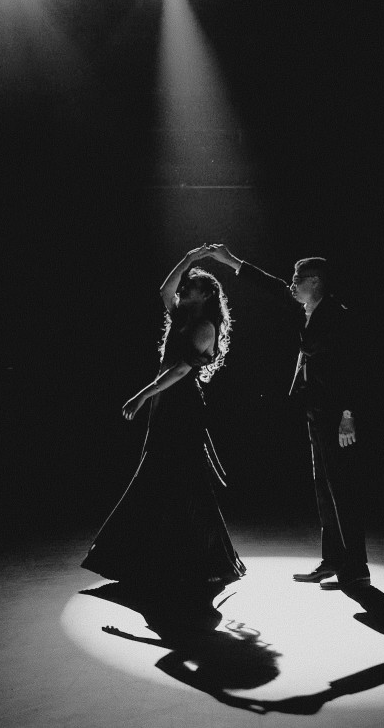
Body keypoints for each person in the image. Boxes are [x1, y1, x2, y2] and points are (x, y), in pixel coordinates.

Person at [202, 244, 370, 589]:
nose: (292, 284)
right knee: (324, 489)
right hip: (316, 410)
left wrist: (347, 415)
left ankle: (356, 569)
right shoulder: (306, 310)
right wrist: (231, 261)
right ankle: (333, 560)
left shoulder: (336, 315)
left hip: (336, 414)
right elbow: (272, 285)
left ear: (315, 281)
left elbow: (352, 369)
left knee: (342, 490)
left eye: (297, 279)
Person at [82, 246, 246, 593]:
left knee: (185, 481)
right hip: (167, 402)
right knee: (160, 478)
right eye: (185, 284)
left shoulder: (204, 327)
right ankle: (157, 560)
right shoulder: (181, 317)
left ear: (207, 294)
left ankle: (208, 561)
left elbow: (181, 370)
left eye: (192, 284)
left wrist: (143, 395)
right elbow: (164, 290)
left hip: (182, 406)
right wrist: (189, 259)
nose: (183, 288)